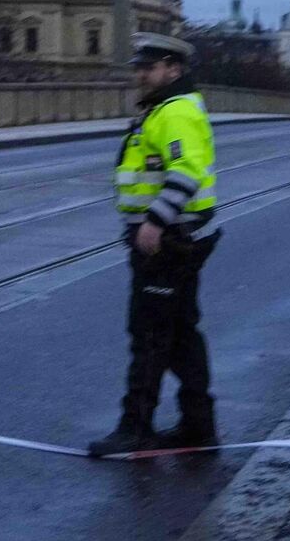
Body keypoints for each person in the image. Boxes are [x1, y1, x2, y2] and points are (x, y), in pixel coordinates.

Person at [88, 33, 221, 457]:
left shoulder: (176, 112)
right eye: (138, 68)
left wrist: (154, 222)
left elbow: (188, 171)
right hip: (174, 240)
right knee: (181, 337)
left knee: (148, 336)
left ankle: (135, 427)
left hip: (166, 243)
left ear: (173, 69)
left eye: (148, 68)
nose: (140, 75)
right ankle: (198, 426)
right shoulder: (163, 110)